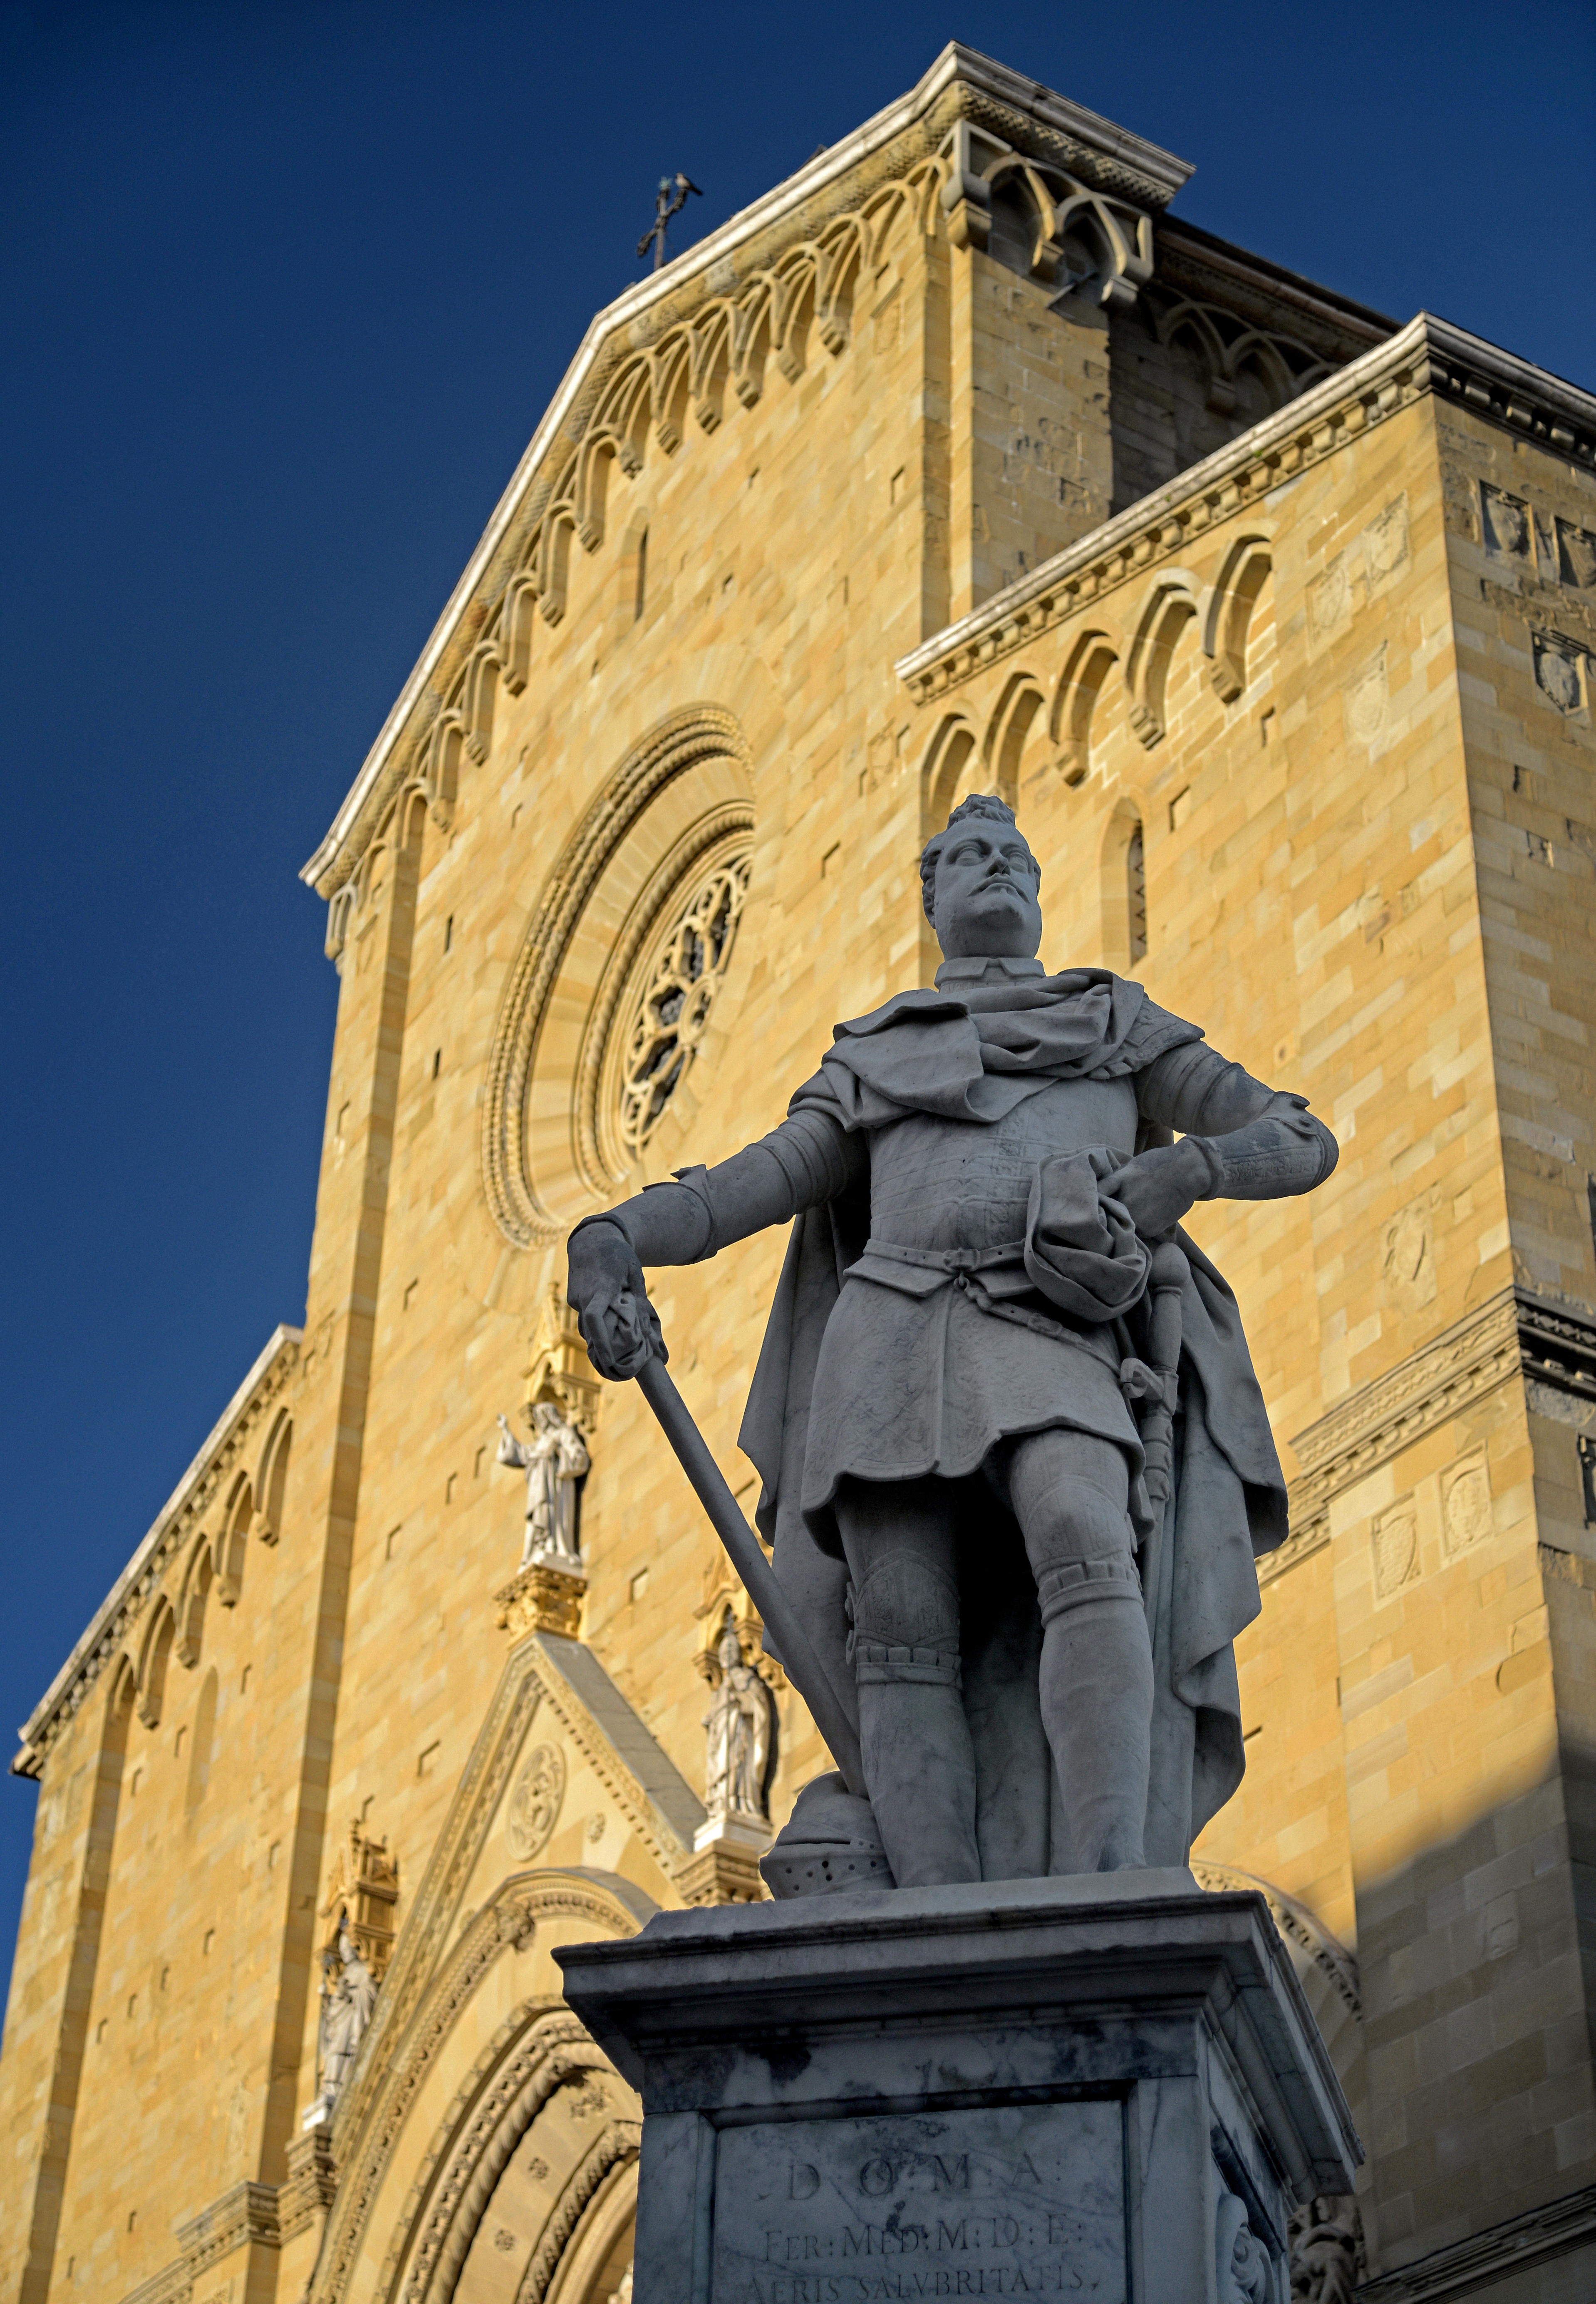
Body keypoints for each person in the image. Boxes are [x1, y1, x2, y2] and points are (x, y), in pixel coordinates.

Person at [567, 795, 1337, 1888]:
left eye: (1014, 857)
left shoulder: (1116, 1023)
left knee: (1083, 1532)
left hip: (1050, 1327)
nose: (996, 869)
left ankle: (1115, 1875)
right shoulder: (878, 1054)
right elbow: (757, 1181)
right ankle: (931, 1906)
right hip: (887, 1338)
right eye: (968, 856)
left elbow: (1299, 1134)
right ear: (930, 900)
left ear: (1037, 893)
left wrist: (1190, 1170)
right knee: (900, 1622)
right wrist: (616, 1236)